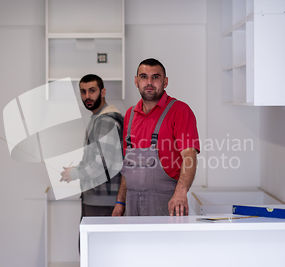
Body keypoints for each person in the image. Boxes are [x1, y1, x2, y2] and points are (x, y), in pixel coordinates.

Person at [112, 58, 199, 218]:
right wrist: (120, 202)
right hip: (132, 203)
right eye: (144, 77)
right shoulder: (130, 115)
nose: (149, 82)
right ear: (136, 81)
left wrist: (180, 193)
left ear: (165, 82)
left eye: (155, 77)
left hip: (168, 201)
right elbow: (128, 165)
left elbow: (189, 156)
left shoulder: (180, 111)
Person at [60, 74, 124, 218]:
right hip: (99, 199)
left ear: (103, 92)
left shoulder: (105, 121)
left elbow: (101, 164)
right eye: (83, 92)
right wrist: (74, 171)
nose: (87, 96)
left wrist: (75, 173)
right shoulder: (97, 118)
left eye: (92, 90)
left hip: (103, 202)